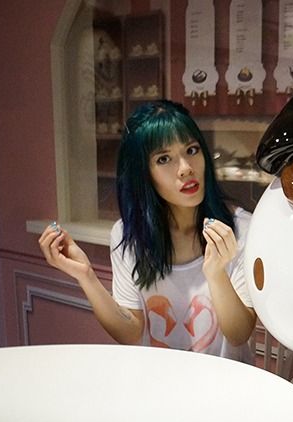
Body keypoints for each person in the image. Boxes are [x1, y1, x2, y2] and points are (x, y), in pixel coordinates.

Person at [39, 100, 256, 362]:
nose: (186, 167)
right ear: (143, 173)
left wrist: (216, 273)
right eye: (164, 158)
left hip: (226, 389)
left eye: (191, 149)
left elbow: (238, 334)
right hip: (157, 386)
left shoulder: (240, 229)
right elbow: (131, 332)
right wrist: (86, 276)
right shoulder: (127, 236)